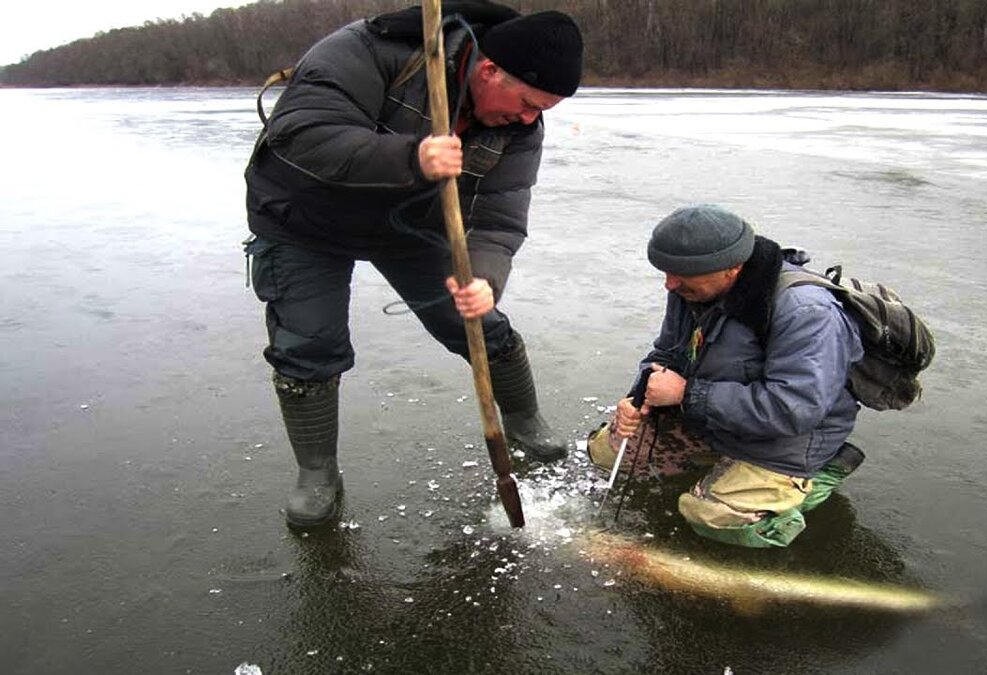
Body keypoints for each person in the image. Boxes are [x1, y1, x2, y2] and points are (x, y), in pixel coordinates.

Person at [243, 2, 583, 528]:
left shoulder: (517, 128)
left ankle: (523, 419)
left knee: (473, 318)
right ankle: (318, 474)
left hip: (409, 223)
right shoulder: (367, 51)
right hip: (302, 219)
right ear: (490, 71)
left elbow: (500, 215)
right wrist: (411, 158)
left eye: (544, 111)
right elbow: (302, 132)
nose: (530, 119)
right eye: (527, 103)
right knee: (308, 343)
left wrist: (486, 279)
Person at [588, 205, 868, 548]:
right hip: (716, 417)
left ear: (733, 268)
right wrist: (639, 397)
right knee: (605, 450)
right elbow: (665, 354)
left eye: (681, 275)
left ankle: (813, 481)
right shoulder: (690, 289)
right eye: (666, 272)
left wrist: (687, 394)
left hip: (790, 438)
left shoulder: (806, 311)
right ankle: (717, 461)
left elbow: (795, 408)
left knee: (712, 516)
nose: (669, 284)